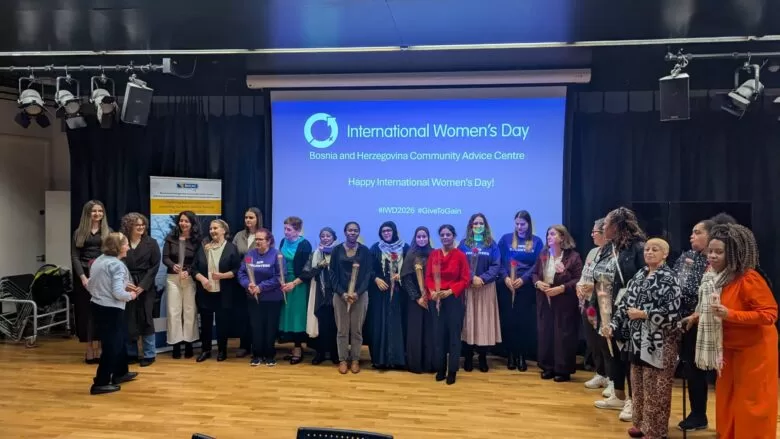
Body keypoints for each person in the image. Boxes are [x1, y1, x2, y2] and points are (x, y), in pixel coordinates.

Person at [686, 224, 778, 439]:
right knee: (727, 400)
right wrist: (697, 316)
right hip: (727, 348)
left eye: (719, 252)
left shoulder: (749, 278)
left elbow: (769, 315)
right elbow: (711, 308)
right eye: (710, 251)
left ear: (735, 253)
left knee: (751, 403)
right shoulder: (712, 277)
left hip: (754, 350)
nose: (712, 256)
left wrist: (731, 314)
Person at [606, 238, 681, 439]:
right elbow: (625, 303)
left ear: (665, 254)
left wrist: (644, 314)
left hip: (659, 341)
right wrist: (613, 325)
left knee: (656, 388)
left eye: (655, 249)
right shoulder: (640, 274)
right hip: (636, 339)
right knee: (638, 384)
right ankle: (640, 423)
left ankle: (656, 430)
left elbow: (673, 315)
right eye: (647, 249)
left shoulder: (670, 278)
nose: (649, 252)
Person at [592, 207, 646, 422]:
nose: (603, 227)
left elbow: (644, 279)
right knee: (612, 350)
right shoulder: (609, 247)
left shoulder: (638, 248)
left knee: (628, 356)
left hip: (629, 310)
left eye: (606, 224)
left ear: (617, 226)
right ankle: (618, 394)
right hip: (607, 307)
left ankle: (634, 400)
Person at [673, 219, 714, 431]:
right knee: (692, 369)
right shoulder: (687, 256)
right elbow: (674, 281)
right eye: (692, 232)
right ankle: (698, 414)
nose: (692, 236)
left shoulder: (717, 260)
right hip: (686, 321)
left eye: (697, 232)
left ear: (711, 235)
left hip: (709, 320)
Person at [87, 232, 139, 395]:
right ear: (118, 247)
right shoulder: (117, 265)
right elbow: (118, 293)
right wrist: (131, 295)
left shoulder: (99, 260)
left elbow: (91, 284)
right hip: (111, 309)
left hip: (97, 305)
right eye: (126, 244)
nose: (128, 247)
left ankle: (120, 372)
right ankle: (100, 382)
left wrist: (122, 285)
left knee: (119, 339)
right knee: (112, 345)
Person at [532, 225, 583, 382]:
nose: (549, 236)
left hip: (564, 300)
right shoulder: (543, 254)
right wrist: (538, 283)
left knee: (563, 335)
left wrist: (562, 288)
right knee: (546, 333)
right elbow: (534, 273)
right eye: (548, 234)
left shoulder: (573, 257)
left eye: (553, 234)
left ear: (562, 237)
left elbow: (579, 279)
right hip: (545, 299)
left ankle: (563, 370)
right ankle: (548, 367)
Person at [496, 210, 543, 371]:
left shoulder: (536, 241)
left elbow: (537, 265)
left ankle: (522, 356)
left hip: (525, 286)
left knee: (523, 323)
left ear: (529, 224)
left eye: (522, 224)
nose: (519, 227)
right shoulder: (505, 239)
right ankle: (510, 355)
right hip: (507, 286)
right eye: (517, 224)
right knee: (509, 321)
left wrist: (524, 279)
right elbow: (498, 261)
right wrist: (506, 278)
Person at [426, 225, 471, 385]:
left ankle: (452, 370)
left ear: (453, 236)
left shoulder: (460, 255)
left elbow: (465, 279)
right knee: (438, 335)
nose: (445, 237)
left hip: (453, 299)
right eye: (443, 235)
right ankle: (440, 368)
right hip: (437, 299)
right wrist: (432, 291)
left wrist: (450, 291)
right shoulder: (434, 254)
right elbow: (428, 276)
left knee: (453, 336)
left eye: (448, 234)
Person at [459, 213, 502, 373]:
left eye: (481, 223)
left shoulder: (491, 244)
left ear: (485, 226)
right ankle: (468, 357)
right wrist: (472, 278)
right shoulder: (464, 244)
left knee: (484, 323)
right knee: (469, 322)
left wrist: (482, 279)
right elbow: (460, 263)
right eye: (475, 223)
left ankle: (483, 357)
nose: (478, 226)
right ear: (471, 226)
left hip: (486, 288)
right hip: (468, 288)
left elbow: (496, 265)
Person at [192, 220, 240, 362]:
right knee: (205, 324)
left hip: (223, 293)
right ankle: (205, 350)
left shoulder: (231, 248)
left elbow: (237, 270)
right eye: (210, 228)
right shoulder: (204, 248)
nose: (212, 231)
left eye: (215, 228)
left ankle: (222, 350)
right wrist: (203, 279)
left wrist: (222, 276)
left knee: (222, 323)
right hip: (205, 292)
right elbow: (194, 269)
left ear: (224, 230)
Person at [329, 221, 373, 374]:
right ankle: (342, 360)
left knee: (356, 330)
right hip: (340, 295)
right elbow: (332, 273)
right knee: (342, 330)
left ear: (359, 233)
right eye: (350, 230)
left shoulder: (365, 251)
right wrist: (342, 293)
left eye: (355, 230)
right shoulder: (336, 250)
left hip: (359, 296)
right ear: (345, 232)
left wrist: (357, 293)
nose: (352, 233)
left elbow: (368, 274)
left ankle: (355, 359)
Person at [71, 200, 111, 364]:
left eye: (100, 211)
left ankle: (101, 348)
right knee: (87, 313)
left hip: (102, 276)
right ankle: (89, 349)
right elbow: (75, 257)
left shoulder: (108, 231)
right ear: (88, 213)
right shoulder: (79, 232)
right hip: (84, 277)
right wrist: (83, 278)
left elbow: (111, 256)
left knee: (101, 312)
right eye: (94, 211)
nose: (97, 214)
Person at [237, 228, 283, 367]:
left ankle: (269, 355)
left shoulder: (276, 255)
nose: (257, 242)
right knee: (256, 327)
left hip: (272, 298)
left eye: (261, 239)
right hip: (254, 298)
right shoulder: (250, 255)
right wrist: (248, 284)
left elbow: (280, 276)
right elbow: (242, 273)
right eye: (256, 239)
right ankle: (256, 355)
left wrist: (261, 287)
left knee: (270, 328)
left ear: (269, 241)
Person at [120, 213, 161, 367]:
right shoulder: (122, 242)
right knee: (129, 318)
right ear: (129, 226)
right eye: (137, 225)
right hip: (127, 283)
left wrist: (143, 286)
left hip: (146, 285)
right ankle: (131, 353)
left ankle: (149, 354)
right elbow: (118, 263)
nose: (141, 227)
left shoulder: (152, 243)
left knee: (146, 318)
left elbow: (155, 266)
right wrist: (125, 283)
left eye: (143, 224)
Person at [367, 221, 409, 369]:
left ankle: (398, 360)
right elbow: (368, 268)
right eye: (383, 231)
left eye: (389, 230)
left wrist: (401, 275)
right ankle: (380, 359)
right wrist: (375, 279)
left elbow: (410, 268)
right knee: (380, 324)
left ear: (394, 232)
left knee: (398, 324)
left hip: (399, 293)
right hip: (380, 292)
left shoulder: (405, 248)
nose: (386, 233)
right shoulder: (375, 248)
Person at [162, 211, 201, 359]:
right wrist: (173, 265)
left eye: (186, 221)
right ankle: (176, 344)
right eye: (181, 220)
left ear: (192, 224)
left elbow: (197, 260)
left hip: (189, 278)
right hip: (172, 278)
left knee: (190, 310)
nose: (183, 223)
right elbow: (165, 257)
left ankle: (189, 343)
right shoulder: (170, 238)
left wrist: (188, 271)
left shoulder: (197, 240)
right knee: (174, 311)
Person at [300, 227, 340, 365]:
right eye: (322, 236)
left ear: (334, 238)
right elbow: (306, 273)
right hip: (319, 293)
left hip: (337, 293)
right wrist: (319, 266)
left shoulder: (339, 253)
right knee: (320, 323)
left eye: (328, 236)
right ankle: (320, 353)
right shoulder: (315, 254)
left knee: (335, 324)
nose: (325, 238)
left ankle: (335, 353)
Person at [401, 226, 436, 374]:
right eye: (419, 237)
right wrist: (417, 297)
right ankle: (415, 364)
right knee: (415, 331)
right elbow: (406, 278)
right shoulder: (411, 254)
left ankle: (430, 364)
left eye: (424, 236)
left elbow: (437, 276)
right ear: (415, 238)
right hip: (415, 301)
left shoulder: (434, 254)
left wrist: (430, 294)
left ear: (428, 238)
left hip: (431, 298)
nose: (421, 239)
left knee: (430, 330)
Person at [278, 216, 313, 364]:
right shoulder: (282, 241)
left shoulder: (305, 245)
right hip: (284, 282)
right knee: (287, 316)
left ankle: (298, 349)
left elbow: (307, 270)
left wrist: (294, 283)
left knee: (298, 317)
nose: (286, 232)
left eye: (289, 229)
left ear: (298, 231)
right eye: (285, 229)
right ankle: (293, 346)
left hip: (299, 284)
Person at [579, 218, 609, 389]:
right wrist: (579, 286)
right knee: (592, 339)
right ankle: (600, 372)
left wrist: (594, 286)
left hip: (603, 303)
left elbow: (612, 279)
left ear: (605, 233)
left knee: (604, 340)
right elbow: (585, 274)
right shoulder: (592, 252)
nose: (591, 235)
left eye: (594, 232)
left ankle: (612, 377)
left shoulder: (613, 253)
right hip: (588, 302)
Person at [232, 207, 263, 358]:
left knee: (256, 315)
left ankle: (258, 345)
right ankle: (244, 345)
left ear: (258, 219)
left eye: (251, 217)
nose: (248, 220)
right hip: (241, 279)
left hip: (258, 281)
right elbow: (232, 254)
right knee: (243, 314)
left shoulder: (264, 234)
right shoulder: (239, 235)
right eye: (246, 217)